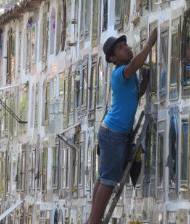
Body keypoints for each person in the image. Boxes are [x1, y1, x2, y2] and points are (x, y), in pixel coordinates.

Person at [87, 28, 157, 224]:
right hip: (114, 134)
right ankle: (94, 221)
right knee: (108, 181)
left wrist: (145, 81)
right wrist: (150, 43)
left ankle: (92, 219)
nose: (126, 48)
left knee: (103, 178)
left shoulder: (129, 75)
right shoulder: (120, 73)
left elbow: (135, 96)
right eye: (120, 48)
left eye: (125, 45)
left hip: (113, 133)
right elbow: (136, 63)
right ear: (112, 59)